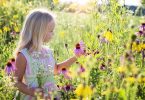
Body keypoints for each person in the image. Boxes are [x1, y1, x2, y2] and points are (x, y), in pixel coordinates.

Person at [14, 8, 84, 100]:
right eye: (51, 31)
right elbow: (16, 82)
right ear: (39, 31)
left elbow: (56, 70)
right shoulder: (23, 55)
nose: (53, 33)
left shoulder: (47, 52)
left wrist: (75, 57)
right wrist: (32, 91)